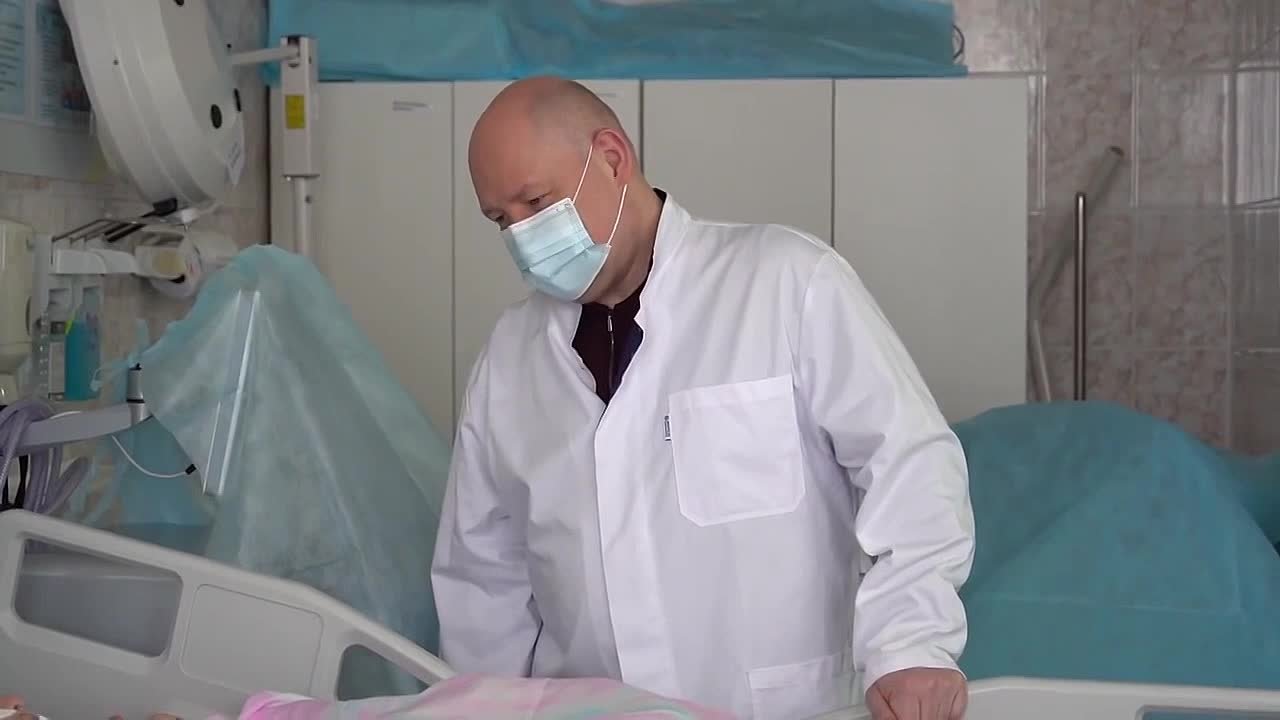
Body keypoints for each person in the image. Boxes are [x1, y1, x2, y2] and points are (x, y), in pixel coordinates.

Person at [432, 76, 976, 720]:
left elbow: (909, 464)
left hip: (787, 709)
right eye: (502, 219)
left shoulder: (785, 281)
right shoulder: (509, 359)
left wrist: (911, 644)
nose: (522, 236)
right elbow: (484, 575)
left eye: (535, 202)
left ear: (611, 158)